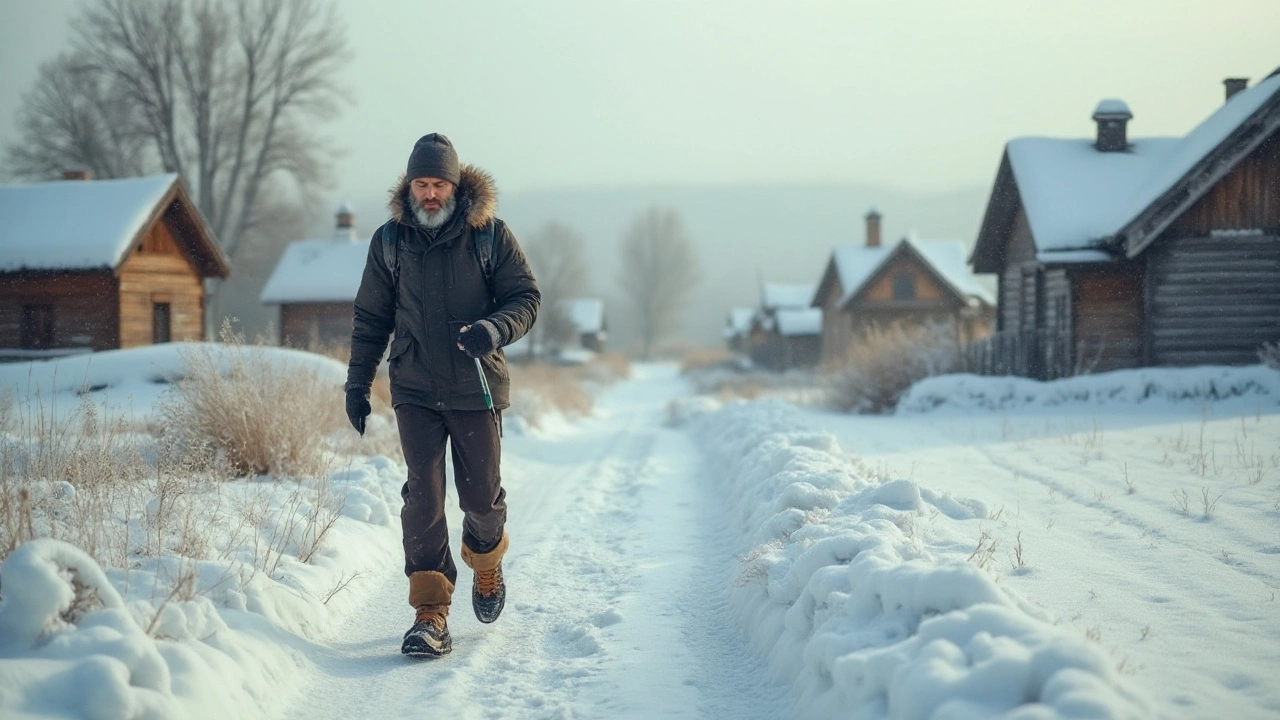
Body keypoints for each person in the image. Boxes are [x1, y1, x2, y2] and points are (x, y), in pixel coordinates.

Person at [344, 133, 540, 657]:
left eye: (439, 185)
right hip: (414, 388)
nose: (429, 194)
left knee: (481, 497)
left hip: (475, 386)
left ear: (456, 187)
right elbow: (370, 319)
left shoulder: (489, 236)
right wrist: (358, 383)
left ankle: (486, 561)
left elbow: (525, 297)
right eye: (421, 184)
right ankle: (430, 612)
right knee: (423, 500)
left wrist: (493, 330)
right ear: (409, 185)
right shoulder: (389, 242)